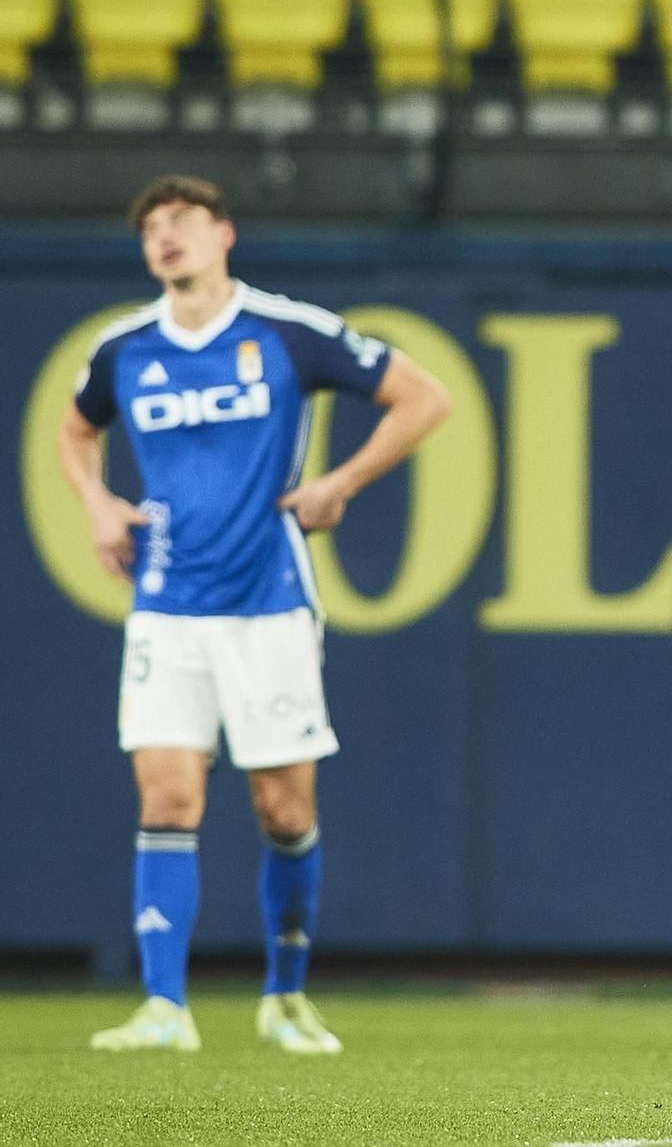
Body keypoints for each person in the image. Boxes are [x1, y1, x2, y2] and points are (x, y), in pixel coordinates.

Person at [56, 176, 451, 1053]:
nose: (165, 238)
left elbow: (424, 395)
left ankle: (284, 994)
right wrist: (94, 502)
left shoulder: (284, 330)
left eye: (182, 222)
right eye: (152, 227)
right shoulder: (123, 349)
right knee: (166, 792)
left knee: (282, 808)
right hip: (166, 600)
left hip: (268, 601)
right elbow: (75, 429)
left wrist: (341, 481)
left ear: (223, 234)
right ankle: (165, 1006)